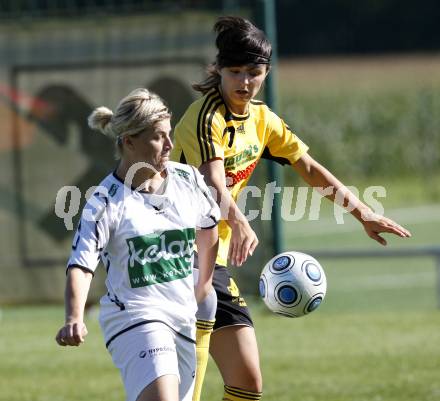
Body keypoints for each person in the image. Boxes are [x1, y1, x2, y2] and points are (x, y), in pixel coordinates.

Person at [171, 16, 412, 401]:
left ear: (266, 72)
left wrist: (362, 212)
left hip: (210, 257)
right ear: (219, 70)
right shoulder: (207, 116)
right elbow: (210, 182)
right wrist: (240, 221)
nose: (244, 82)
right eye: (235, 72)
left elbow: (309, 168)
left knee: (247, 382)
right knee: (184, 373)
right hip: (174, 250)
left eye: (254, 72)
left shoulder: (263, 120)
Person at [55, 88, 220, 401]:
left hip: (182, 316)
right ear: (129, 141)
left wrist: (204, 283)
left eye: (169, 134)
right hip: (134, 317)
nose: (170, 145)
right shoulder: (104, 202)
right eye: (158, 137)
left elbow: (209, 229)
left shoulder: (187, 180)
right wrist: (74, 318)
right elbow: (81, 264)